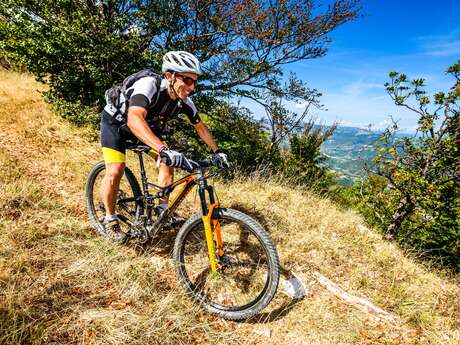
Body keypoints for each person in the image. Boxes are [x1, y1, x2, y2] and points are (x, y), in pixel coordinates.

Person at [100, 51, 229, 242]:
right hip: (117, 124)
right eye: (186, 79)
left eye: (194, 81)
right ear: (169, 76)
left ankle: (161, 214)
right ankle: (109, 219)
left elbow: (200, 127)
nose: (191, 87)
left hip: (144, 128)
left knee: (167, 163)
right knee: (116, 170)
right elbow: (134, 118)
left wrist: (217, 152)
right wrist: (162, 149)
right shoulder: (148, 85)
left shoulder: (185, 102)